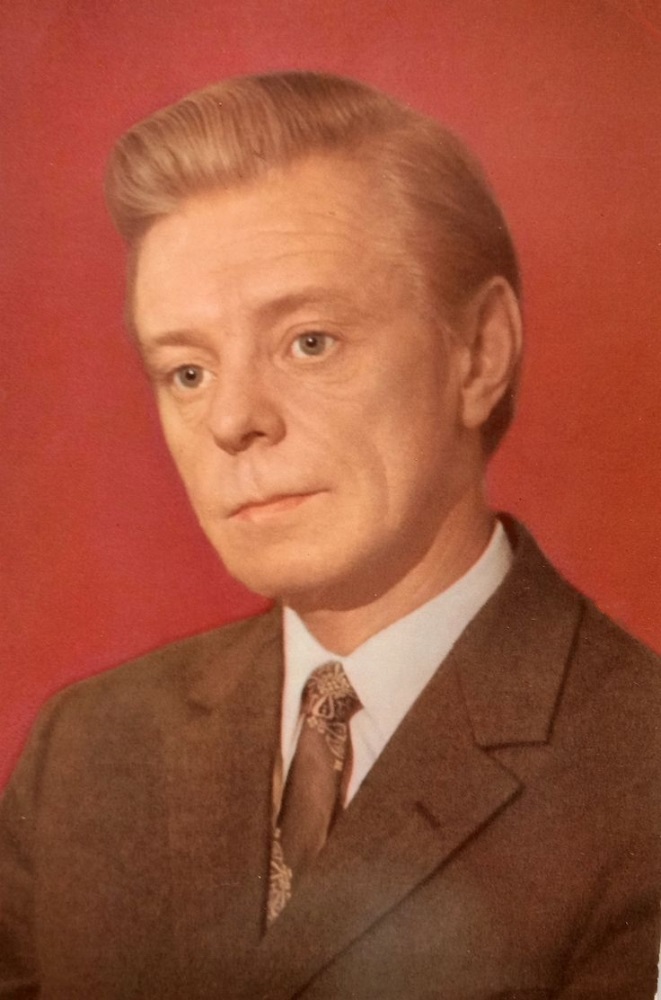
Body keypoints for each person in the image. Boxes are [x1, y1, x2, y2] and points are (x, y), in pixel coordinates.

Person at [0, 71, 659, 1000]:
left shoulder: (640, 772)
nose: (232, 420)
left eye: (309, 341)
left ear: (478, 353)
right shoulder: (87, 750)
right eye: (187, 371)